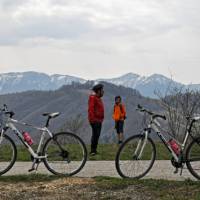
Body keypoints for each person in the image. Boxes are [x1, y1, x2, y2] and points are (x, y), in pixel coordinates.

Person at [88, 83, 104, 156]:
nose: (103, 91)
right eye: (101, 90)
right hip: (95, 120)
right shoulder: (93, 98)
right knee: (95, 135)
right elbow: (91, 109)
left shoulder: (98, 98)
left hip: (99, 120)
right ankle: (92, 151)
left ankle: (94, 150)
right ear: (98, 91)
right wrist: (92, 119)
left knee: (97, 135)